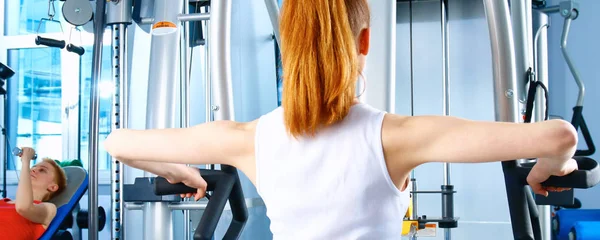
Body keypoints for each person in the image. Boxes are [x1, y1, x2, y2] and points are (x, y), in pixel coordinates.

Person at [103, 0, 579, 238]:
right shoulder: (399, 137)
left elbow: (118, 144)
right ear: (365, 42)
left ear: (286, 46)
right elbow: (558, 134)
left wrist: (176, 171)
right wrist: (548, 169)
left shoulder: (243, 139)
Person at [0, 147, 67, 239]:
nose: (33, 170)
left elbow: (24, 207)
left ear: (53, 187)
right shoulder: (3, 201)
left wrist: (26, 161)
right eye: (33, 168)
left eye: (42, 170)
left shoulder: (48, 209)